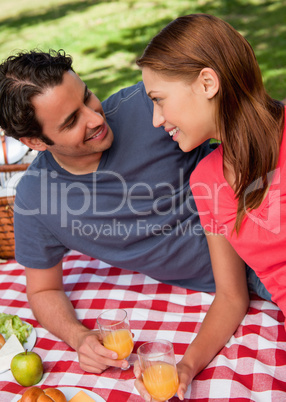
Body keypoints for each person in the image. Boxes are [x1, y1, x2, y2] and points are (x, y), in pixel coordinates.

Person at [0, 50, 216, 375]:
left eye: (87, 96)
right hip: (232, 287)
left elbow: (244, 127)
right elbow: (43, 289)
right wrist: (80, 337)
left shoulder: (149, 107)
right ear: (35, 140)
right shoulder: (36, 197)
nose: (96, 118)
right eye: (72, 121)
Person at [135, 13, 285, 400]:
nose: (156, 120)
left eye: (159, 100)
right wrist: (186, 366)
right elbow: (232, 296)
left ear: (207, 82)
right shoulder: (206, 181)